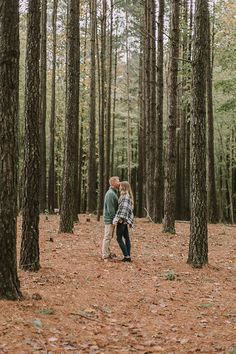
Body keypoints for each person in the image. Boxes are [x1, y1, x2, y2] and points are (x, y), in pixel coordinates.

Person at [113, 181, 134, 262]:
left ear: (124, 187)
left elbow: (123, 210)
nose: (119, 187)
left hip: (122, 220)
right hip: (125, 220)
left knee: (119, 238)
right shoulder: (127, 196)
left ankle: (126, 256)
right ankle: (128, 255)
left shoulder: (125, 197)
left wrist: (118, 219)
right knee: (126, 238)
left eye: (121, 186)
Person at [102, 176, 120, 260]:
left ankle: (107, 252)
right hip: (110, 219)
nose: (119, 183)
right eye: (118, 181)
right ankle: (105, 254)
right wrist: (114, 219)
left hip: (111, 219)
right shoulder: (110, 194)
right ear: (113, 183)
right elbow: (110, 209)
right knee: (107, 236)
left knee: (109, 236)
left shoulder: (113, 193)